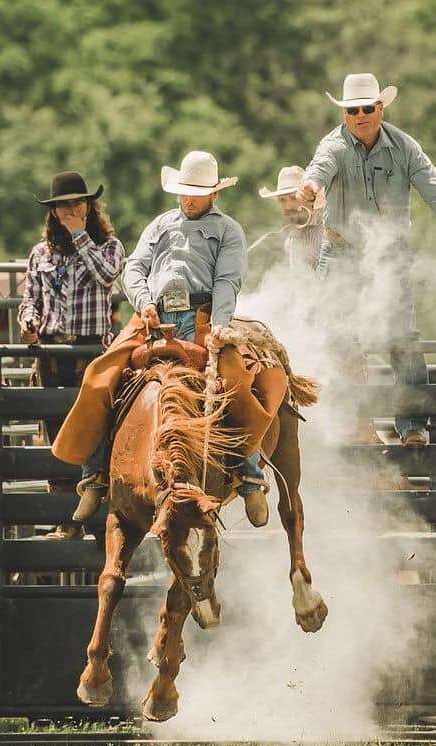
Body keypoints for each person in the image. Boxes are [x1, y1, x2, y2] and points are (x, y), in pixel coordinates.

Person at [52, 150, 271, 527]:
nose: (188, 198)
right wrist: (143, 301)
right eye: (184, 191)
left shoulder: (227, 230)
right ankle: (94, 475)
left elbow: (227, 280)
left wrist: (218, 326)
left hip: (201, 316)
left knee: (232, 377)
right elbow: (135, 266)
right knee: (100, 375)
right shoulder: (160, 224)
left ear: (213, 195)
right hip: (152, 316)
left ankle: (250, 474)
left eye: (196, 193)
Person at [297, 72, 436, 449]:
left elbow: (432, 187)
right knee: (337, 335)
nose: (360, 115)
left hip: (390, 257)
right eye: (353, 109)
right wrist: (310, 188)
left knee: (401, 339)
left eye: (367, 108)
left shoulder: (405, 147)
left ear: (380, 108)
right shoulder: (333, 146)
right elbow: (318, 170)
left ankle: (412, 426)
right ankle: (350, 422)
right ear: (345, 115)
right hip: (341, 253)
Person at [17, 171, 125, 540]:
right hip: (51, 351)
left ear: (90, 206)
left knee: (92, 432)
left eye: (78, 202)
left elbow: (106, 275)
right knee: (55, 432)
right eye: (64, 204)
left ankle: (98, 521)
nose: (71, 209)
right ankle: (66, 520)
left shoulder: (109, 246)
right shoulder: (40, 253)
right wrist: (28, 322)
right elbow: (30, 297)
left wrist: (80, 235)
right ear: (53, 211)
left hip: (90, 350)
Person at [258, 165, 324, 272]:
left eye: (293, 198)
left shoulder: (326, 232)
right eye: (282, 200)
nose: (288, 206)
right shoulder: (290, 240)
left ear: (308, 198)